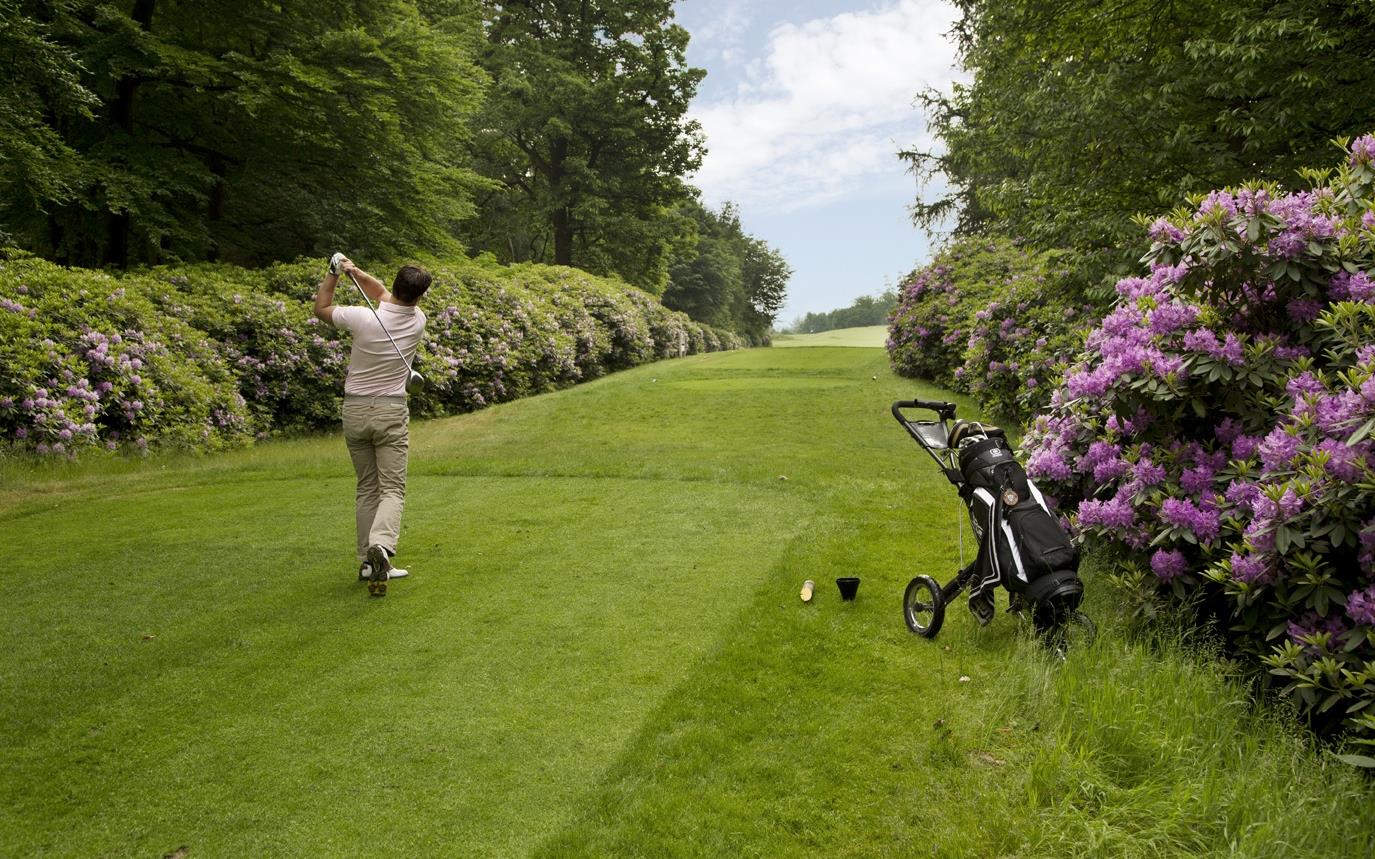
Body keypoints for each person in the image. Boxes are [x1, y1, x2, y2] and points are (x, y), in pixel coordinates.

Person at [314, 255, 432, 597]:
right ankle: (380, 547)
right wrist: (355, 272)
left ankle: (368, 562)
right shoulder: (418, 321)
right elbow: (382, 294)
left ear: (395, 286)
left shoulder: (362, 317)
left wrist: (335, 274)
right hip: (390, 411)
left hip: (354, 411)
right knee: (392, 489)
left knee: (367, 486)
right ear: (419, 296)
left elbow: (322, 307)